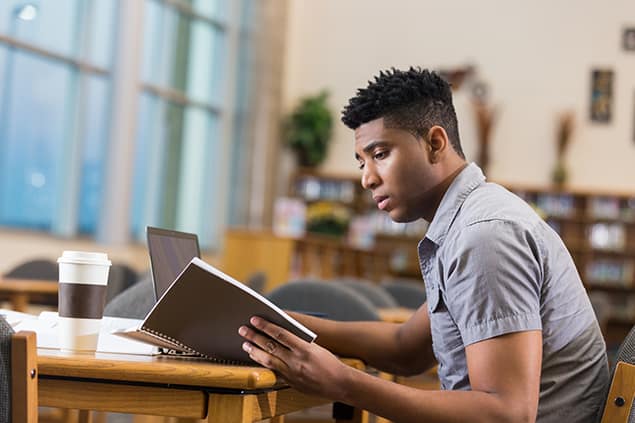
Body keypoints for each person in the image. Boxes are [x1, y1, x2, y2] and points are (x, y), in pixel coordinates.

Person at [238, 67, 609, 422]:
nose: (367, 178)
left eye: (380, 154)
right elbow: (404, 348)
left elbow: (507, 414)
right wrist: (276, 323)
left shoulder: (484, 236)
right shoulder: (467, 221)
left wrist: (343, 383)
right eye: (361, 162)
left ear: (435, 143)